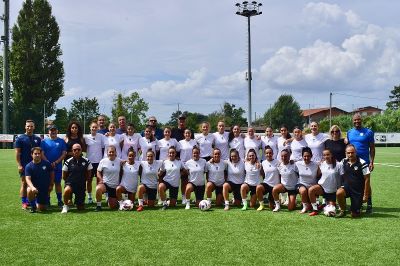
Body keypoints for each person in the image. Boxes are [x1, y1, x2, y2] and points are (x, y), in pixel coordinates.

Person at [346, 113, 375, 214]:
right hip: (353, 162)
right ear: (352, 121)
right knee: (355, 183)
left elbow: (372, 148)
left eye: (358, 120)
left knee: (366, 182)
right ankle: (359, 203)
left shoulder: (368, 132)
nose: (357, 121)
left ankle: (369, 204)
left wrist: (372, 161)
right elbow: (348, 146)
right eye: (355, 120)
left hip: (365, 162)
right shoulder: (349, 132)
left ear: (361, 120)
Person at [336, 144, 370, 218]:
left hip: (357, 190)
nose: (350, 154)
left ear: (355, 152)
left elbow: (367, 179)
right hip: (346, 188)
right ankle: (343, 210)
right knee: (339, 193)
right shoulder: (343, 161)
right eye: (348, 153)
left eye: (352, 152)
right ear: (345, 153)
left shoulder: (362, 163)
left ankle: (358, 207)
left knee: (354, 215)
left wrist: (366, 195)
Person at [15, 119, 42, 209]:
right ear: (25, 127)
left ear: (34, 127)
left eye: (31, 126)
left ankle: (33, 201)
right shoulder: (20, 138)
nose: (29, 128)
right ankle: (24, 202)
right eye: (28, 126)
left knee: (36, 183)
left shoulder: (37, 139)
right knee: (24, 183)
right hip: (24, 165)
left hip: (36, 165)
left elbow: (40, 152)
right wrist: (19, 165)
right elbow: (17, 153)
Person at [308, 148, 341, 216]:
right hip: (322, 188)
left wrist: (340, 188)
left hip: (332, 191)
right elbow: (318, 174)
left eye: (328, 154)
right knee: (311, 190)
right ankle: (315, 210)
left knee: (330, 211)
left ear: (331, 155)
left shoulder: (338, 164)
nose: (326, 156)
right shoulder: (322, 164)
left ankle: (327, 204)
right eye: (324, 155)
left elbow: (342, 177)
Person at [40, 124, 67, 207]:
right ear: (48, 132)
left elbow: (64, 153)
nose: (53, 132)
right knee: (48, 184)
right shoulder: (44, 142)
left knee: (58, 183)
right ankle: (47, 201)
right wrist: (48, 163)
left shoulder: (61, 141)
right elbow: (42, 153)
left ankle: (59, 201)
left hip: (57, 166)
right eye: (51, 130)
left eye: (54, 130)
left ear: (57, 131)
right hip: (47, 167)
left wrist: (56, 162)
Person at [61, 144, 93, 213]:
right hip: (71, 184)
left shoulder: (86, 161)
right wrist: (68, 182)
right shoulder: (68, 161)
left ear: (81, 150)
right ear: (72, 151)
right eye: (75, 150)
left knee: (80, 208)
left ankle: (79, 202)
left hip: (81, 185)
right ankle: (65, 206)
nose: (77, 151)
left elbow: (89, 174)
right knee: (67, 190)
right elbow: (64, 175)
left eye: (79, 149)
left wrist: (84, 180)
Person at [25, 147, 54, 213]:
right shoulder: (28, 166)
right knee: (29, 190)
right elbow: (28, 179)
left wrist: (51, 184)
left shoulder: (47, 164)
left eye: (39, 153)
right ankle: (33, 206)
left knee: (42, 208)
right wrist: (32, 187)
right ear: (31, 154)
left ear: (41, 154)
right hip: (34, 187)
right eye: (35, 153)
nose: (37, 155)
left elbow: (52, 174)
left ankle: (38, 202)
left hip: (44, 188)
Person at [84, 122, 105, 203]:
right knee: (89, 180)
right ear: (90, 127)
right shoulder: (86, 137)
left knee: (99, 180)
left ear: (98, 128)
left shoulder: (101, 136)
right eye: (93, 127)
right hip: (89, 162)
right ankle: (89, 197)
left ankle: (97, 196)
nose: (94, 128)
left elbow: (103, 148)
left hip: (99, 162)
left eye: (95, 127)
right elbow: (84, 148)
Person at [96, 146, 122, 211]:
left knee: (112, 206)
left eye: (113, 152)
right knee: (98, 188)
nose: (111, 153)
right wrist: (101, 180)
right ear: (107, 153)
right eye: (109, 152)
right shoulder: (103, 161)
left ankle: (110, 198)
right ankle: (98, 206)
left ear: (115, 152)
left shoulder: (119, 161)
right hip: (106, 184)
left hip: (115, 186)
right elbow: (98, 171)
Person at [295, 147, 321, 214]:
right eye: (305, 156)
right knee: (303, 190)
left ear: (311, 156)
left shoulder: (316, 165)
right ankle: (304, 207)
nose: (306, 158)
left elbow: (319, 175)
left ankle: (310, 203)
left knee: (311, 206)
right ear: (302, 156)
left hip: (312, 186)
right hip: (301, 184)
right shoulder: (297, 164)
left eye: (308, 156)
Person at [256, 146, 280, 211]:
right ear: (264, 154)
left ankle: (274, 200)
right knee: (258, 187)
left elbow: (281, 173)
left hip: (275, 186)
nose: (268, 154)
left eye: (270, 153)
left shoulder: (277, 162)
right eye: (267, 153)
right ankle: (261, 205)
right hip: (266, 183)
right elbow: (262, 173)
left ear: (272, 154)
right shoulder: (263, 163)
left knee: (271, 206)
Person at [178, 129, 197, 204]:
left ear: (191, 134)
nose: (187, 134)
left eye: (189, 133)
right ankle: (184, 197)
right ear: (184, 134)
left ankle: (196, 197)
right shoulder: (180, 142)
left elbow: (197, 151)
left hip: (193, 163)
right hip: (184, 164)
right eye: (186, 133)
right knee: (184, 181)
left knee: (194, 181)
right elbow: (177, 152)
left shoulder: (194, 142)